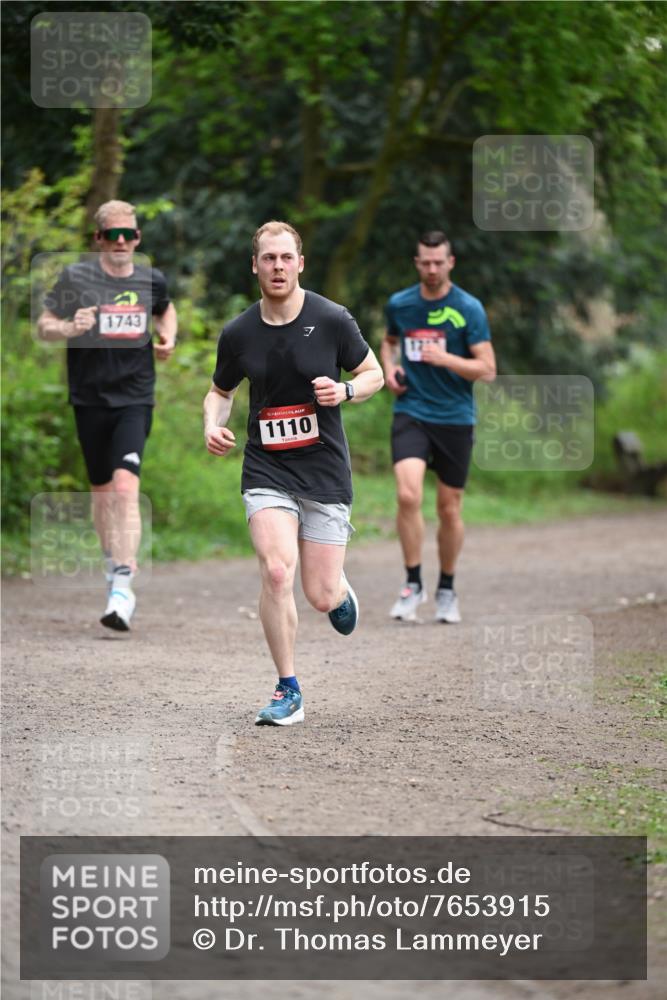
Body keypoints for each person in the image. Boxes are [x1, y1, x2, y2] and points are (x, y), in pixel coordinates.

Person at [203, 221, 383, 726]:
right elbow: (220, 391)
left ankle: (339, 589)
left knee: (320, 595)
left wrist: (346, 391)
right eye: (268, 259)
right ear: (255, 266)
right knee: (277, 571)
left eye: (286, 258)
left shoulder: (331, 319)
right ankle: (288, 689)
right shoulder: (239, 332)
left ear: (300, 263)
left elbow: (374, 374)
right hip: (267, 465)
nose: (277, 267)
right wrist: (211, 426)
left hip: (324, 467)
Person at [37, 199, 177, 631]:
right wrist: (68, 328)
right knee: (101, 492)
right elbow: (44, 324)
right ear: (98, 238)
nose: (121, 242)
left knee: (124, 485)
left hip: (135, 396)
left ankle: (122, 584)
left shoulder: (150, 278)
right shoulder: (75, 277)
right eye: (112, 235)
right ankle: (112, 563)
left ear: (137, 238)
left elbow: (165, 309)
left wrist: (167, 337)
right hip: (89, 398)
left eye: (128, 235)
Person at [381, 230, 496, 624]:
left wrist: (446, 359)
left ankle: (446, 587)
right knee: (408, 495)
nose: (431, 269)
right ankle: (413, 583)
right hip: (411, 409)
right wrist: (390, 368)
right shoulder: (400, 303)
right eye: (424, 262)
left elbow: (487, 369)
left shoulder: (468, 308)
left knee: (449, 508)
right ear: (417, 264)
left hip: (455, 417)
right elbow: (389, 341)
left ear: (450, 262)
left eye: (438, 262)